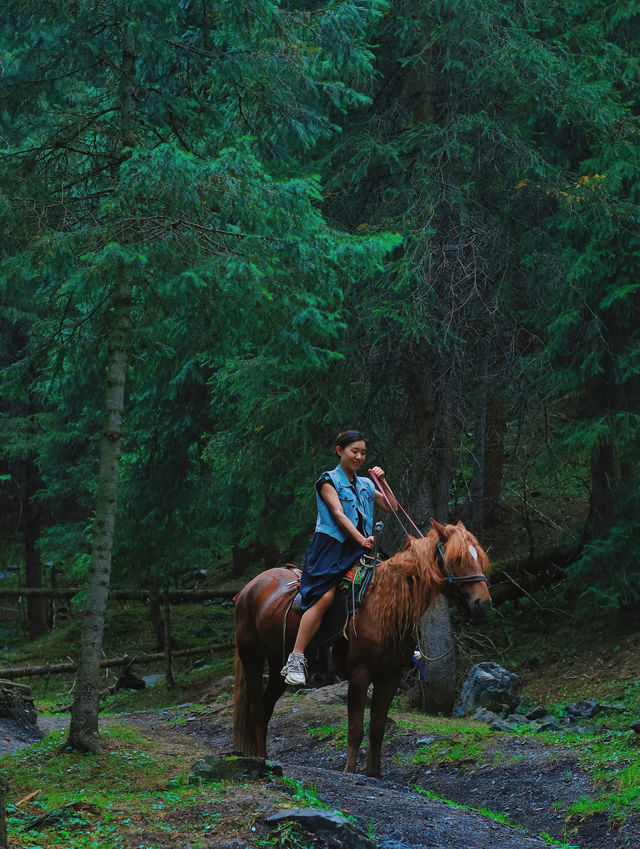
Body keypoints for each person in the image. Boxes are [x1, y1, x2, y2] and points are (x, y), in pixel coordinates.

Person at [280, 429, 398, 685]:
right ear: (339, 451)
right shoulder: (328, 481)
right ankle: (296, 658)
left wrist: (383, 482)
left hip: (361, 549)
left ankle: (389, 650)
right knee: (325, 596)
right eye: (354, 451)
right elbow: (337, 513)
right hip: (331, 550)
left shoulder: (366, 485)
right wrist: (361, 539)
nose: (359, 457)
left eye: (363, 453)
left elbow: (392, 507)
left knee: (388, 586)